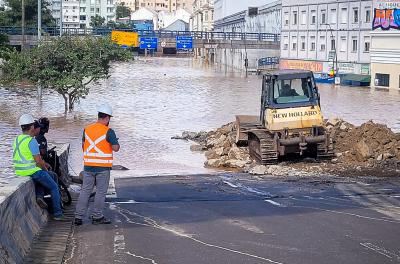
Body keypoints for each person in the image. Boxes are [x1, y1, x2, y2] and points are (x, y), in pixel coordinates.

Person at [74, 103, 120, 226]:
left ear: (98, 116)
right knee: (100, 191)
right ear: (107, 118)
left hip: (88, 166)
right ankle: (97, 216)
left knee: (85, 190)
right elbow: (115, 148)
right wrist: (115, 142)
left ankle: (78, 217)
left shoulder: (87, 129)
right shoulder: (109, 131)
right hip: (103, 168)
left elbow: (83, 146)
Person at [12, 114, 63, 220]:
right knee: (53, 186)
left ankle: (40, 197)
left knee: (45, 177)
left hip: (19, 172)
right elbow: (39, 161)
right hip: (31, 171)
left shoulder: (16, 140)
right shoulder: (32, 141)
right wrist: (45, 168)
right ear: (31, 127)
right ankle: (58, 214)